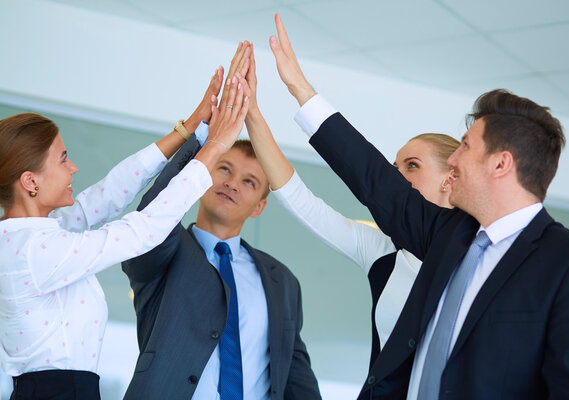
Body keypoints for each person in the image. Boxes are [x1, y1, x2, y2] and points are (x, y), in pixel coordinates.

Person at [268, 13, 569, 400]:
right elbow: (374, 179)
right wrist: (301, 90)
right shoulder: (448, 235)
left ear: (500, 163)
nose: (454, 159)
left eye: (465, 147)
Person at [0, 64, 250, 400]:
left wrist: (192, 128)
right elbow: (141, 231)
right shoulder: (34, 249)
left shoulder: (28, 236)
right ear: (30, 181)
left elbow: (108, 193)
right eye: (63, 159)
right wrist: (215, 148)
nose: (72, 167)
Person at [121, 41, 321, 400]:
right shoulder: (161, 250)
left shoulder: (282, 281)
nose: (231, 183)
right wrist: (207, 137)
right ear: (202, 178)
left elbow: (296, 378)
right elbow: (152, 214)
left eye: (250, 181)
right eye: (223, 169)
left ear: (259, 207)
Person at [242, 43, 458, 367]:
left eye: (412, 165)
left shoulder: (476, 250)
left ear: (449, 178)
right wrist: (252, 116)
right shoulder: (383, 251)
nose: (395, 176)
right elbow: (301, 201)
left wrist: (301, 88)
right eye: (394, 166)